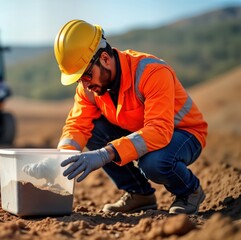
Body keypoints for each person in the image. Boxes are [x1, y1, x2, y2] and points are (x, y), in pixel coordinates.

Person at [54, 20, 208, 215]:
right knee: (93, 129)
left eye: (86, 76)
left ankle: (189, 191)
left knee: (153, 163)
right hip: (142, 131)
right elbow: (77, 125)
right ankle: (140, 194)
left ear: (105, 59)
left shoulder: (152, 72)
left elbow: (159, 131)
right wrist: (60, 160)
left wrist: (105, 154)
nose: (85, 85)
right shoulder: (90, 88)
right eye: (79, 80)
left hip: (184, 133)